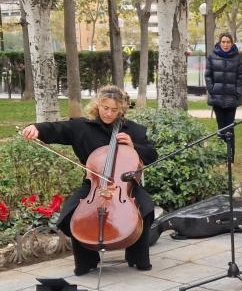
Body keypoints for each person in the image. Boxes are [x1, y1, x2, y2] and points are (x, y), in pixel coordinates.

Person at [20, 85, 158, 276]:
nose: (109, 113)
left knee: (146, 208)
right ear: (97, 105)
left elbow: (152, 155)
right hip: (93, 185)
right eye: (105, 108)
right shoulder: (81, 127)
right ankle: (86, 261)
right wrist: (35, 129)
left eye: (114, 110)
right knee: (71, 213)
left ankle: (137, 257)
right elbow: (56, 129)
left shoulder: (132, 130)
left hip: (126, 186)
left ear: (122, 109)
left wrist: (134, 146)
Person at [205, 32, 242, 141]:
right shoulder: (212, 56)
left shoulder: (238, 58)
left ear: (232, 43)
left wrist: (237, 92)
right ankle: (221, 154)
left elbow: (240, 78)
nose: (225, 44)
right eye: (223, 42)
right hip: (217, 97)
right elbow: (208, 76)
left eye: (228, 42)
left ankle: (230, 156)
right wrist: (212, 90)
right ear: (220, 42)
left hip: (232, 98)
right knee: (221, 127)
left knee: (230, 127)